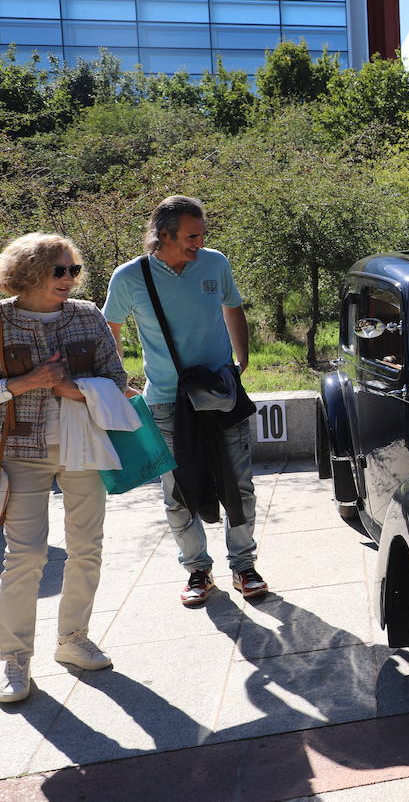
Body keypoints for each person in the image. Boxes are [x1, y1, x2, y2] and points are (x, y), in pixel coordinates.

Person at [103, 196, 268, 608]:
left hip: (221, 393)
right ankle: (197, 569)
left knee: (239, 482)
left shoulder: (215, 262)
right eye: (192, 236)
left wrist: (241, 358)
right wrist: (117, 379)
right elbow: (111, 328)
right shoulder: (129, 276)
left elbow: (234, 307)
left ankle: (243, 565)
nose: (200, 242)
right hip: (164, 399)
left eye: (202, 234)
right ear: (164, 235)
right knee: (178, 492)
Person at [0, 234, 125, 702]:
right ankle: (14, 660)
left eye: (74, 269)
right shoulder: (1, 319)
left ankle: (73, 640)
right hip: (20, 453)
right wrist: (28, 382)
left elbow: (117, 379)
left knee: (86, 548)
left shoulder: (87, 316)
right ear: (29, 273)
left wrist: (72, 389)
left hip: (82, 449)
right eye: (60, 270)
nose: (70, 278)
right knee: (26, 557)